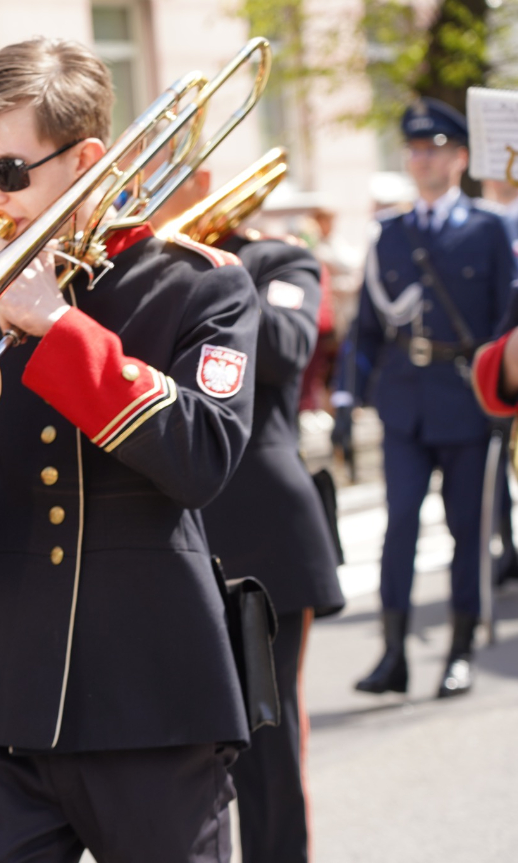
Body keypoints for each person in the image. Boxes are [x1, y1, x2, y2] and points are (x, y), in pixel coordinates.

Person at [0, 38, 259, 863]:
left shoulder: (198, 284)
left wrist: (61, 329)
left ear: (85, 160)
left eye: (8, 171)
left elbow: (202, 457)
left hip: (153, 699)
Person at [154, 168, 346, 863]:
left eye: (159, 177)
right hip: (169, 533)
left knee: (265, 743)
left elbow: (292, 345)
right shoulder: (145, 264)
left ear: (201, 179)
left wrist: (215, 276)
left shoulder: (273, 257)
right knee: (179, 750)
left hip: (262, 529)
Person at [339, 97, 517, 699]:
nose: (421, 159)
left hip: (468, 400)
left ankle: (460, 650)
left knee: (469, 529)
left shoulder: (493, 228)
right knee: (400, 529)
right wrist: (346, 398)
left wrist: (504, 393)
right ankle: (393, 654)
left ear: (459, 158)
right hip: (404, 401)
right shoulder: (390, 231)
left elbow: (505, 321)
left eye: (433, 149)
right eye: (414, 150)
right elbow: (366, 324)